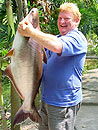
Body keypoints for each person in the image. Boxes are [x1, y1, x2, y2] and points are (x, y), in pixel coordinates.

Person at [18, 2, 87, 130]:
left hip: (63, 104)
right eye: (60, 18)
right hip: (46, 100)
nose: (62, 21)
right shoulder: (57, 37)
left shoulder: (77, 39)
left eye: (67, 19)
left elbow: (57, 46)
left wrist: (31, 32)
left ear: (77, 21)